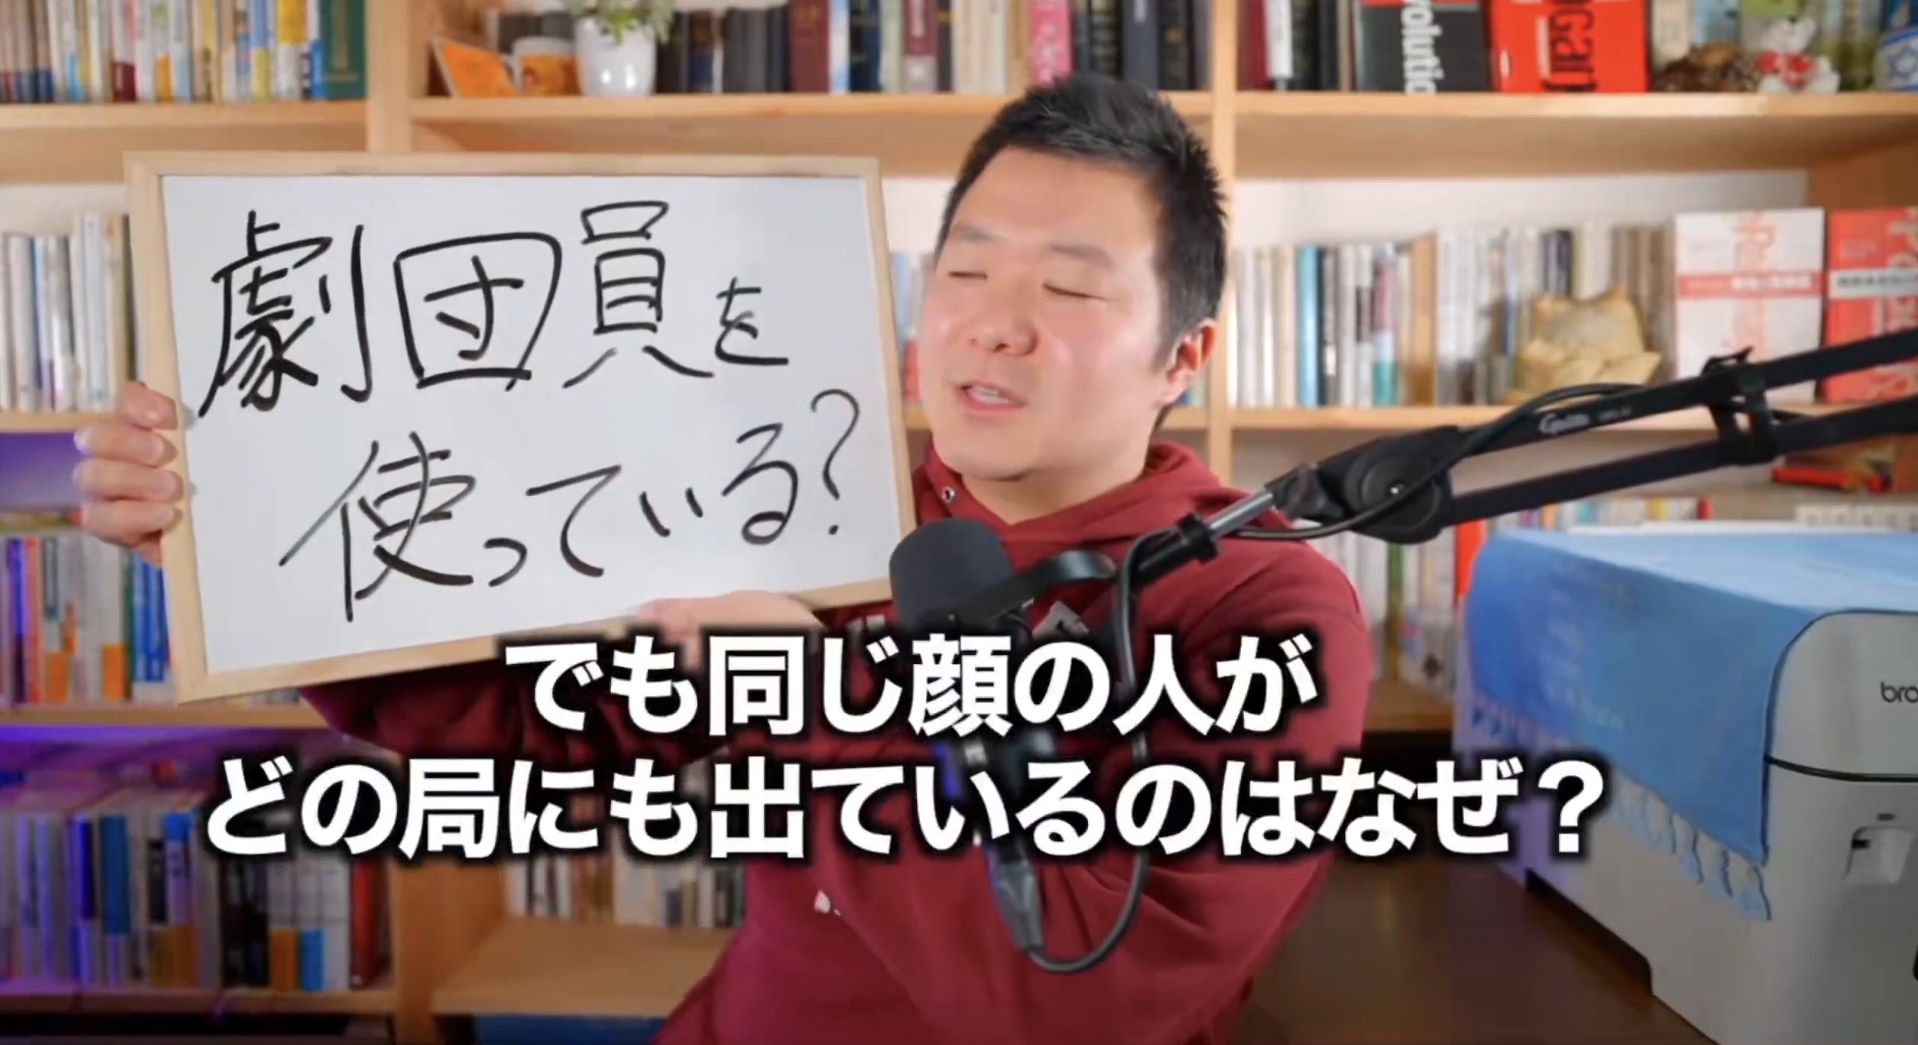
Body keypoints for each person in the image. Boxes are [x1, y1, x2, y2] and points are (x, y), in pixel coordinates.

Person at [73, 74, 1373, 1045]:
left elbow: (1090, 988)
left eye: (1072, 290)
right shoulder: (827, 496)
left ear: (1183, 354)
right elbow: (539, 729)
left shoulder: (1266, 602)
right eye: (965, 272)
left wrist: (815, 699)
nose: (994, 326)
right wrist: (239, 541)